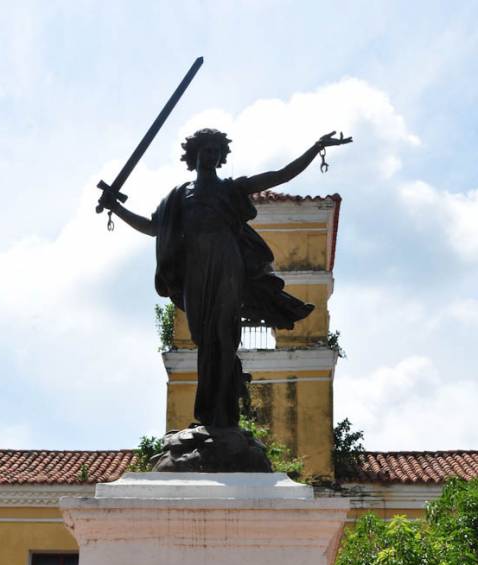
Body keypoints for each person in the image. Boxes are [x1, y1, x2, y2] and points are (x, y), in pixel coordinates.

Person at [99, 128, 351, 428]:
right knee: (203, 339)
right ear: (194, 156)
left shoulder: (231, 189)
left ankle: (222, 416)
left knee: (222, 334)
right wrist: (117, 208)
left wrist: (316, 147)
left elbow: (281, 175)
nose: (211, 154)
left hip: (227, 264)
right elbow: (153, 227)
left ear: (221, 156)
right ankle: (208, 415)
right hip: (195, 270)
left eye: (215, 149)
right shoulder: (179, 196)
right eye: (205, 149)